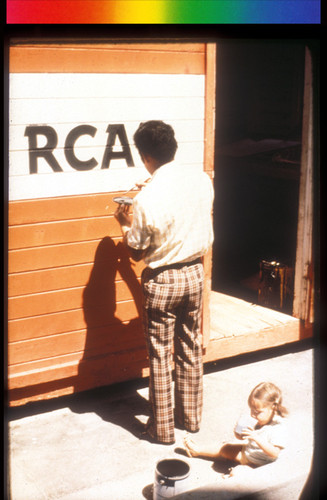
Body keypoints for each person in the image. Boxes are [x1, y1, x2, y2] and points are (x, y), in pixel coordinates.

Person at [114, 120, 214, 444]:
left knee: (160, 355)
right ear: (172, 148)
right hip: (196, 274)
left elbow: (137, 251)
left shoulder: (146, 199)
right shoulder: (201, 180)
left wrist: (124, 224)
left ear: (144, 156)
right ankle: (191, 419)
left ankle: (162, 429)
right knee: (189, 346)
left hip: (163, 279)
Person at [184, 382, 288, 474]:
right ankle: (197, 450)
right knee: (226, 448)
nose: (253, 415)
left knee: (237, 472)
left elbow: (274, 453)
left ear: (273, 408)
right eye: (252, 410)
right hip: (248, 454)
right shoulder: (260, 419)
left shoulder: (278, 428)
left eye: (257, 412)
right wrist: (238, 434)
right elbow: (244, 438)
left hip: (261, 464)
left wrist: (257, 438)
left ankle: (237, 476)